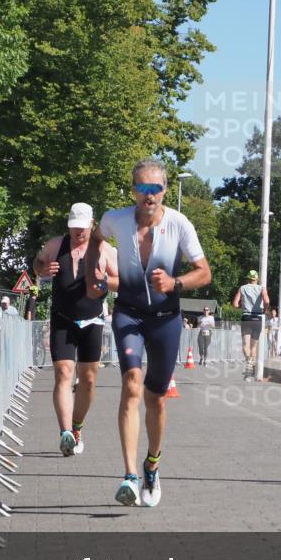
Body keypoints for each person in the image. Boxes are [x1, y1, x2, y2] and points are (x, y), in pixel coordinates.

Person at [85, 159, 211, 508]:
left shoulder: (179, 224)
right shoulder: (117, 219)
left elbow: (204, 272)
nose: (149, 195)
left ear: (165, 190)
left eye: (155, 189)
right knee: (130, 386)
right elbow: (96, 240)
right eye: (143, 188)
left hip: (165, 320)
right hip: (128, 314)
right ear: (133, 190)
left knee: (155, 399)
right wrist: (93, 273)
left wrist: (176, 282)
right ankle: (128, 475)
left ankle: (151, 464)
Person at [34, 203, 118, 458]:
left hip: (92, 320)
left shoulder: (104, 249)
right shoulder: (55, 245)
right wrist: (42, 270)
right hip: (62, 317)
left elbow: (121, 282)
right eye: (73, 228)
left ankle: (78, 426)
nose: (77, 232)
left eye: (82, 228)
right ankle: (65, 433)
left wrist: (102, 279)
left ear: (91, 225)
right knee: (63, 373)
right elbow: (37, 262)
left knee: (88, 380)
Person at [232, 269, 269, 379]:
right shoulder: (262, 288)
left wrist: (241, 306)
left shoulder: (242, 288)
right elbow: (266, 301)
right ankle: (251, 366)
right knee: (254, 346)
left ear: (248, 278)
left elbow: (235, 304)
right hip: (257, 317)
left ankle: (248, 361)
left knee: (245, 344)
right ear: (257, 278)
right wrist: (264, 309)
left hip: (246, 316)